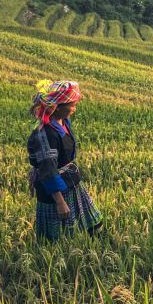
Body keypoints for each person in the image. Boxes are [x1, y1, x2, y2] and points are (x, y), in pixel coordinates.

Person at [27, 79, 103, 241]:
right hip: (54, 190)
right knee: (54, 237)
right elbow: (48, 170)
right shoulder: (45, 134)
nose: (74, 109)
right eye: (72, 105)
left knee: (94, 225)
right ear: (57, 107)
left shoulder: (63, 122)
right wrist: (60, 202)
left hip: (72, 182)